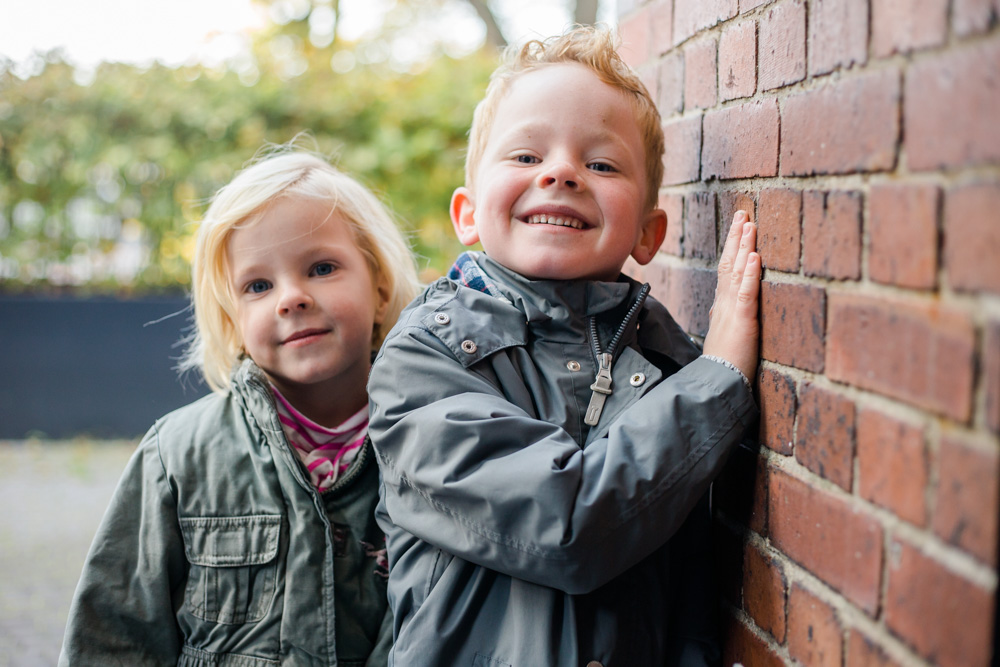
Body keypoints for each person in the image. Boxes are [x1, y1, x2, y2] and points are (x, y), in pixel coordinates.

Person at [367, 26, 761, 666]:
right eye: (525, 156)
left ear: (647, 232)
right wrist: (720, 378)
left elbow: (691, 596)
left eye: (601, 164)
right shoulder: (421, 359)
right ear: (467, 213)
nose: (560, 172)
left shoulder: (669, 365)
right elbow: (567, 525)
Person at [59, 147, 420, 666]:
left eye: (321, 267)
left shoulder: (431, 443)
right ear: (234, 323)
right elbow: (114, 635)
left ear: (380, 289)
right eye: (258, 285)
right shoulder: (177, 455)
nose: (291, 297)